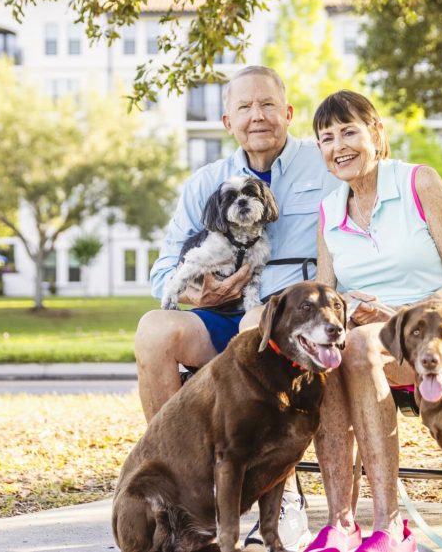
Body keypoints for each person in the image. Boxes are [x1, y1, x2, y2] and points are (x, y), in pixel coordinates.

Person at [136, 65, 339, 552]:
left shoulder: (326, 165)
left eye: (268, 105)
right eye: (244, 107)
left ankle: (281, 494)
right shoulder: (205, 183)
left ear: (288, 114)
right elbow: (164, 267)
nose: (257, 116)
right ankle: (183, 493)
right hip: (219, 314)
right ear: (227, 121)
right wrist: (193, 293)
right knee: (153, 331)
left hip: (291, 320)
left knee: (255, 325)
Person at [305, 90, 442, 552]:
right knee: (329, 354)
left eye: (349, 131)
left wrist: (403, 318)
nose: (339, 145)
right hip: (366, 340)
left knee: (360, 348)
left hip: (437, 335)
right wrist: (344, 305)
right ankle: (341, 523)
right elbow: (327, 296)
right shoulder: (328, 211)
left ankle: (390, 524)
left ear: (376, 133)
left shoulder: (418, 182)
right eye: (327, 138)